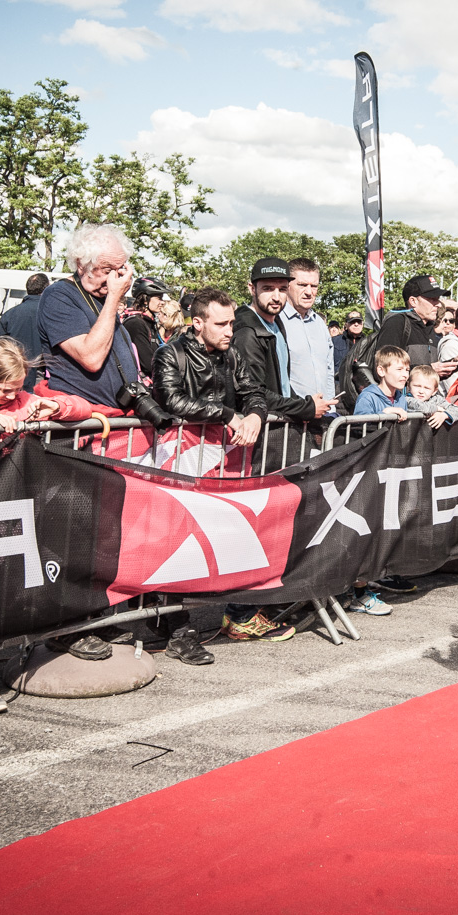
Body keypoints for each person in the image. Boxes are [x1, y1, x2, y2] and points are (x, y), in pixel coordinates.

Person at [153, 288, 290, 648]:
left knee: (237, 532)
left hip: (226, 461)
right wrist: (230, 415)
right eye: (221, 323)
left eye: (231, 322)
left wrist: (257, 417)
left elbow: (254, 391)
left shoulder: (231, 354)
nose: (230, 330)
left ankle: (241, 616)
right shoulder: (171, 353)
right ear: (197, 323)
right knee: (177, 541)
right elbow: (173, 401)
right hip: (181, 461)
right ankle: (175, 628)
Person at [37, 224, 167, 423]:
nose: (115, 278)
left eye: (120, 269)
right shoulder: (59, 296)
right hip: (81, 424)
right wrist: (114, 297)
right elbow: (90, 358)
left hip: (111, 420)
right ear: (81, 265)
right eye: (107, 270)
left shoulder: (103, 298)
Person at [233, 258, 336, 423]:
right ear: (252, 289)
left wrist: (309, 407)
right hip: (264, 428)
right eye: (267, 289)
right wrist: (305, 407)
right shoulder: (248, 331)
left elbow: (283, 387)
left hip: (294, 421)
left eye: (281, 289)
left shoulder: (277, 324)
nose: (276, 297)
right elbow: (254, 393)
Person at [0, 338, 94, 433]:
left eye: (18, 389)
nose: (11, 396)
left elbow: (85, 408)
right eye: (5, 390)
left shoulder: (24, 401)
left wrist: (57, 406)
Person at [278, 257, 336, 403]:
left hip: (323, 415)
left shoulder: (320, 324)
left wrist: (330, 406)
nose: (309, 292)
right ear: (287, 285)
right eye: (302, 285)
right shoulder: (276, 322)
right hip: (290, 417)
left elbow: (329, 371)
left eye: (314, 286)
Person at [0, 273, 49, 391]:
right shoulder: (51, 313)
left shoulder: (9, 315)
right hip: (40, 375)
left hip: (14, 374)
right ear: (46, 289)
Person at [122, 276, 170, 380]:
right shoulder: (135, 324)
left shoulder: (149, 323)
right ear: (145, 300)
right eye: (159, 298)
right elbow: (148, 363)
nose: (162, 302)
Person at [353, 345, 412, 418]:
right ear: (381, 371)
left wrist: (429, 414)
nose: (405, 375)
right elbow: (359, 426)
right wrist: (384, 414)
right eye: (399, 369)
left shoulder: (401, 398)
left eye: (407, 370)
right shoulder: (367, 397)